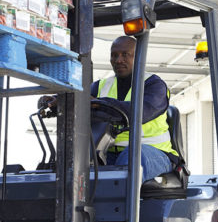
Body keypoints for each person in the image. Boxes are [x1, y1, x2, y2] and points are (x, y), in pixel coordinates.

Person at [41, 36, 178, 180]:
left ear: (139, 57)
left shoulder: (154, 85)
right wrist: (57, 100)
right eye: (114, 55)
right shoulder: (100, 86)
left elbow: (139, 113)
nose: (118, 60)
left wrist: (98, 103)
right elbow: (80, 97)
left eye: (125, 55)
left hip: (153, 153)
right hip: (108, 153)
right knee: (72, 164)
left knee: (131, 159)